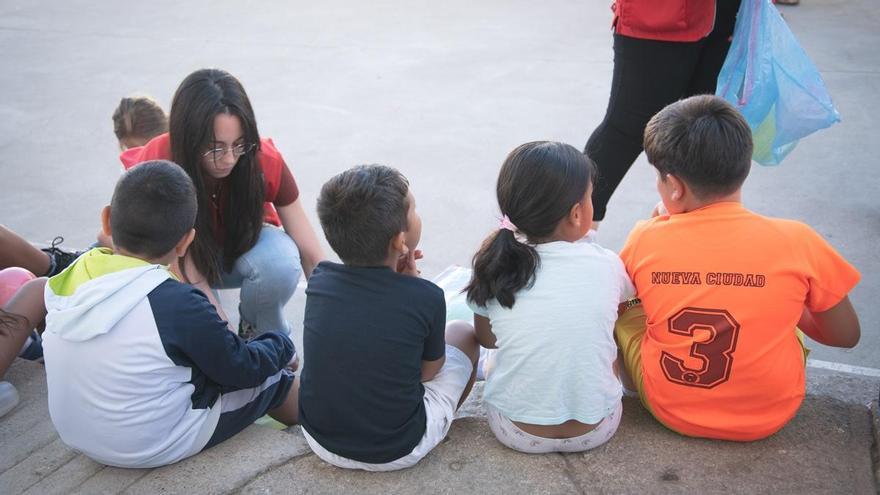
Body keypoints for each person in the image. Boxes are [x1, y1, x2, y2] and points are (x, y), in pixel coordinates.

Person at [616, 95, 861, 441]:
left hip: (670, 408)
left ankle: (625, 389)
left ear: (674, 186)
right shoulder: (798, 240)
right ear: (743, 165)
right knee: (790, 310)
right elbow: (845, 335)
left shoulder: (645, 237)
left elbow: (614, 301)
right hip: (772, 413)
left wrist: (660, 224)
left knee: (628, 310)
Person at [25, 160, 300, 468]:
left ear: (106, 220)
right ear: (186, 242)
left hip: (76, 434)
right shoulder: (175, 302)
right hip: (147, 443)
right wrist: (280, 344)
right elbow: (240, 366)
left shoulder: (74, 273)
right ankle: (315, 432)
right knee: (275, 377)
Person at [298, 165, 479, 471]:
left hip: (320, 439)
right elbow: (429, 371)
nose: (419, 214)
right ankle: (439, 424)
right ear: (399, 242)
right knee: (463, 334)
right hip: (397, 448)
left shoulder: (320, 281)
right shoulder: (426, 296)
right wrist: (411, 286)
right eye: (415, 210)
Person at [120, 69, 324, 339]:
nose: (229, 159)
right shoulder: (160, 163)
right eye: (215, 148)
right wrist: (224, 334)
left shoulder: (264, 159)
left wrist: (332, 316)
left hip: (238, 253)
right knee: (204, 334)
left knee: (281, 261)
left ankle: (260, 331)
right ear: (188, 138)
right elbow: (181, 262)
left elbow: (310, 253)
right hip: (180, 262)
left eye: (239, 145)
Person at [464, 141, 634, 454]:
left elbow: (488, 340)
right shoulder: (607, 263)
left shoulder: (494, 265)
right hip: (597, 428)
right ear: (576, 214)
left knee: (501, 354)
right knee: (610, 329)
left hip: (515, 431)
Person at [584, 0, 741, 227]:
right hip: (662, 13)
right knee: (628, 128)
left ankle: (701, 232)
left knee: (707, 126)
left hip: (722, 12)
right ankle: (573, 237)